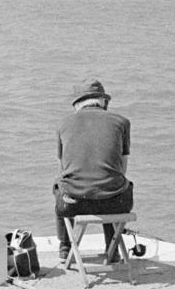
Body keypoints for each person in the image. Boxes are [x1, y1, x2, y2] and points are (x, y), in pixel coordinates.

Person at [54, 78, 132, 263]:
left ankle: (65, 248)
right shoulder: (122, 122)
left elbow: (63, 169)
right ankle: (112, 250)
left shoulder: (63, 124)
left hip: (73, 203)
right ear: (103, 101)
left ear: (77, 103)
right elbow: (122, 168)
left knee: (59, 187)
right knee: (113, 183)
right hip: (116, 204)